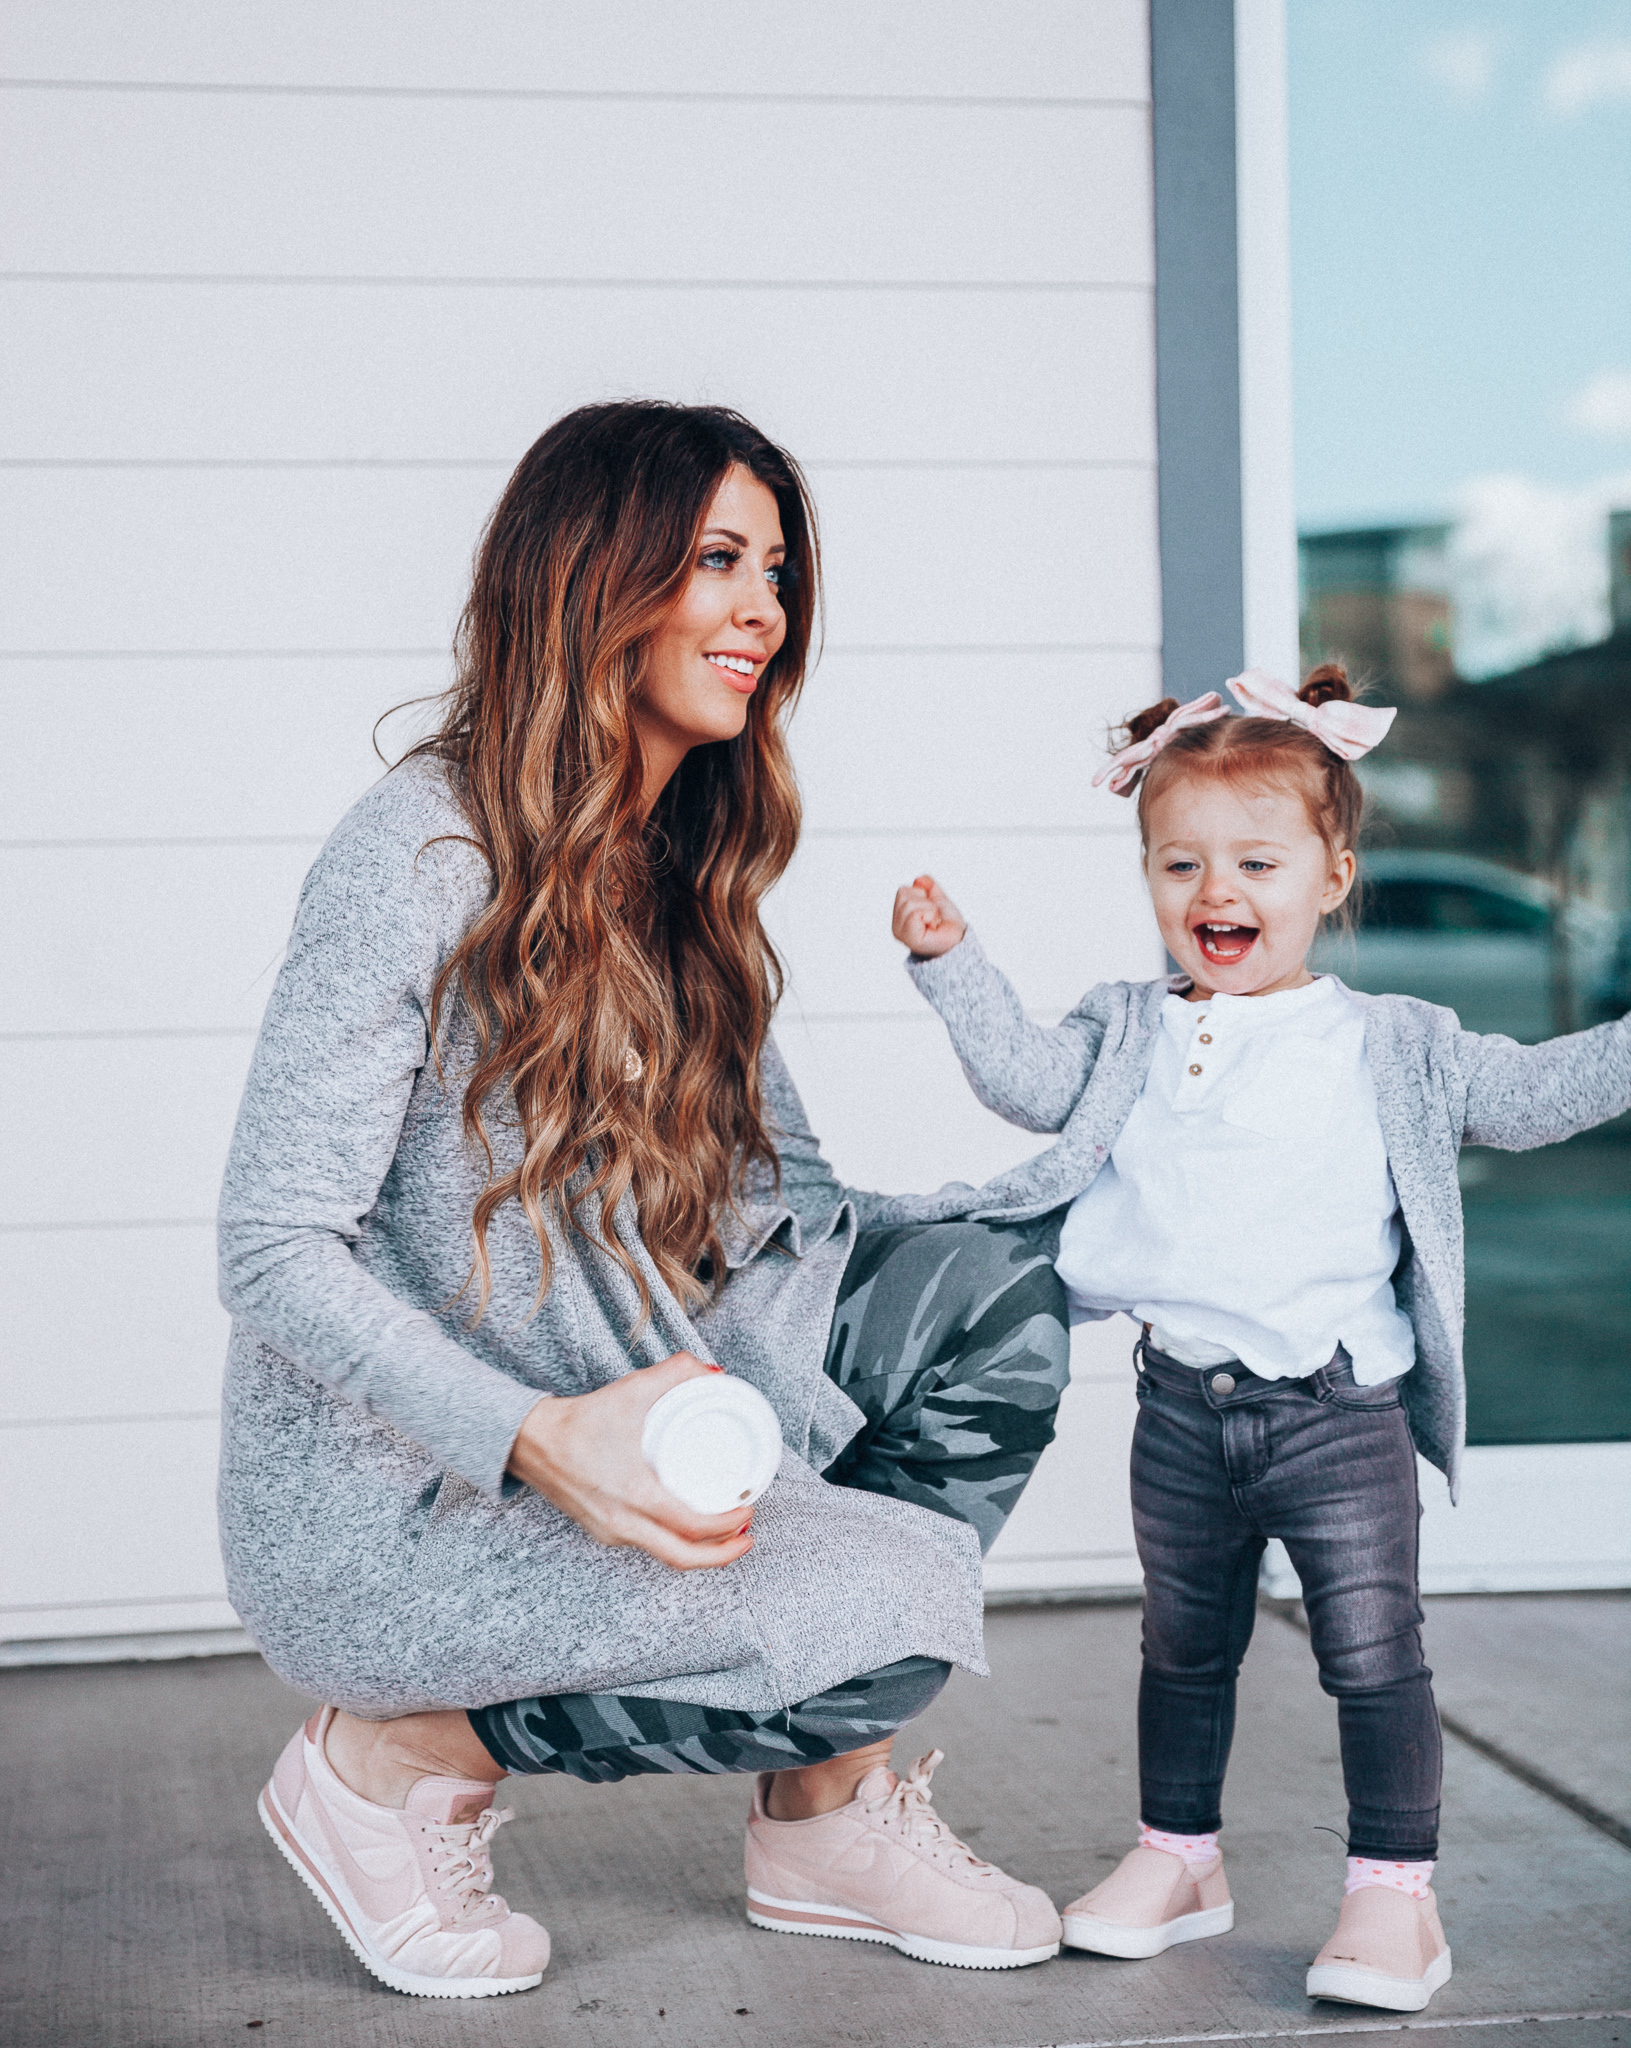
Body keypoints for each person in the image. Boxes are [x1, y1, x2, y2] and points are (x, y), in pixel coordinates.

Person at [218, 400, 1073, 2000]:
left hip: (631, 1418)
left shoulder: (686, 873)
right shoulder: (420, 853)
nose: (767, 610)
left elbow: (804, 1221)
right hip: (411, 1508)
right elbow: (272, 1248)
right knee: (894, 1616)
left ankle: (821, 1821)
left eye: (778, 570)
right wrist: (538, 1438)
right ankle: (384, 1756)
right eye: (718, 562)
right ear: (592, 579)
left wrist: (1078, 1195)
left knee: (991, 1298)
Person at [891, 665, 1631, 2014]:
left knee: (1371, 1658)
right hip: (1179, 1408)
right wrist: (953, 967)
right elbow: (1027, 1085)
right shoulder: (1131, 1028)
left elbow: (1526, 1098)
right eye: (1181, 862)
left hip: (1337, 1417)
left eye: (1255, 859)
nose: (1214, 889)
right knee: (1181, 1647)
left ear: (1331, 875)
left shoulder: (1387, 1042)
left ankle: (1393, 1900)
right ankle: (1178, 1860)